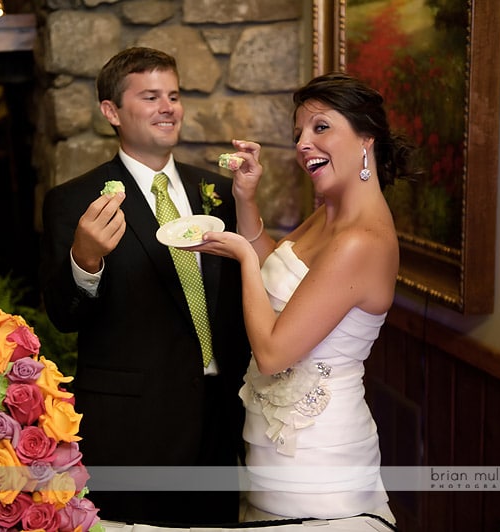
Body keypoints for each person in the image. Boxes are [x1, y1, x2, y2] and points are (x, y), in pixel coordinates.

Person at [193, 72, 414, 529]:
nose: (303, 144)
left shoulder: (361, 241)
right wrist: (245, 200)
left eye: (320, 127)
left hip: (317, 461)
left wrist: (240, 256)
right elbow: (283, 272)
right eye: (298, 133)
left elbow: (272, 354)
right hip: (271, 446)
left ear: (365, 138)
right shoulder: (330, 213)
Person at [39, 47, 251, 525]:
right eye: (150, 96)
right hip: (133, 426)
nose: (168, 107)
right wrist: (85, 259)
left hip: (219, 418)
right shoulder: (74, 200)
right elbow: (63, 316)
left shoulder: (213, 191)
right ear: (111, 111)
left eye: (173, 95)